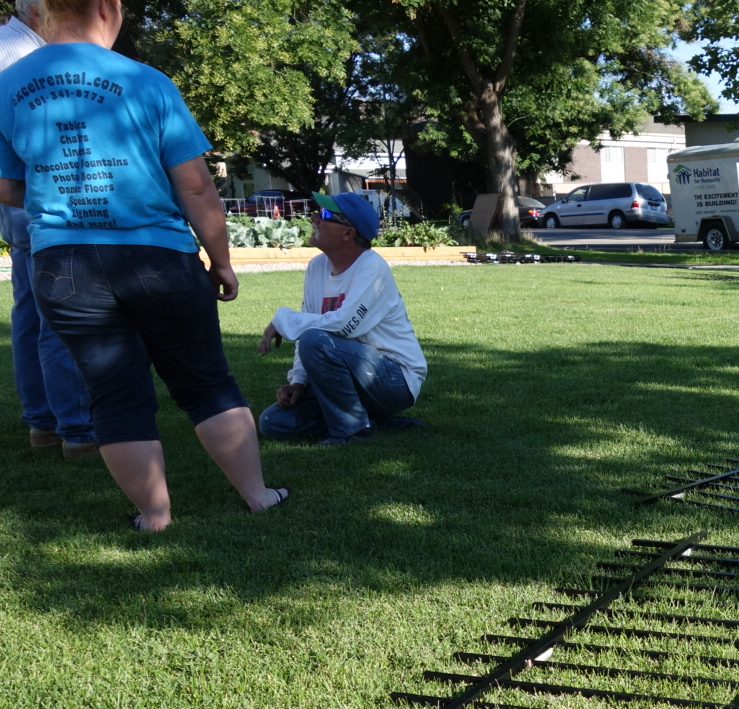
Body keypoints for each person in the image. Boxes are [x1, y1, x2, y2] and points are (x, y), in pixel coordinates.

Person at [0, 0, 286, 532]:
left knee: (114, 394)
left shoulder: (7, 85)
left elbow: (6, 184)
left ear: (40, 12)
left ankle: (154, 516)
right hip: (159, 259)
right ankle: (258, 496)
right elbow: (196, 186)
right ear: (107, 8)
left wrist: (53, 197)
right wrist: (222, 262)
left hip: (63, 267)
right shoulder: (148, 82)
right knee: (206, 383)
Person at [257, 192, 428, 445]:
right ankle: (371, 419)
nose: (314, 217)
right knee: (272, 422)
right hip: (348, 371)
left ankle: (352, 431)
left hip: (395, 379)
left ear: (348, 233)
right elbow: (311, 325)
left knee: (316, 339)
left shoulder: (372, 267)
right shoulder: (317, 267)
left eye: (325, 214)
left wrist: (282, 320)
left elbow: (342, 326)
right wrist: (300, 382)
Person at [0, 0, 93, 458]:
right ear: (38, 11)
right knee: (61, 310)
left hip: (14, 197)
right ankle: (76, 428)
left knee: (30, 311)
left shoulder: (7, 46)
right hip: (35, 196)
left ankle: (42, 423)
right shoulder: (25, 56)